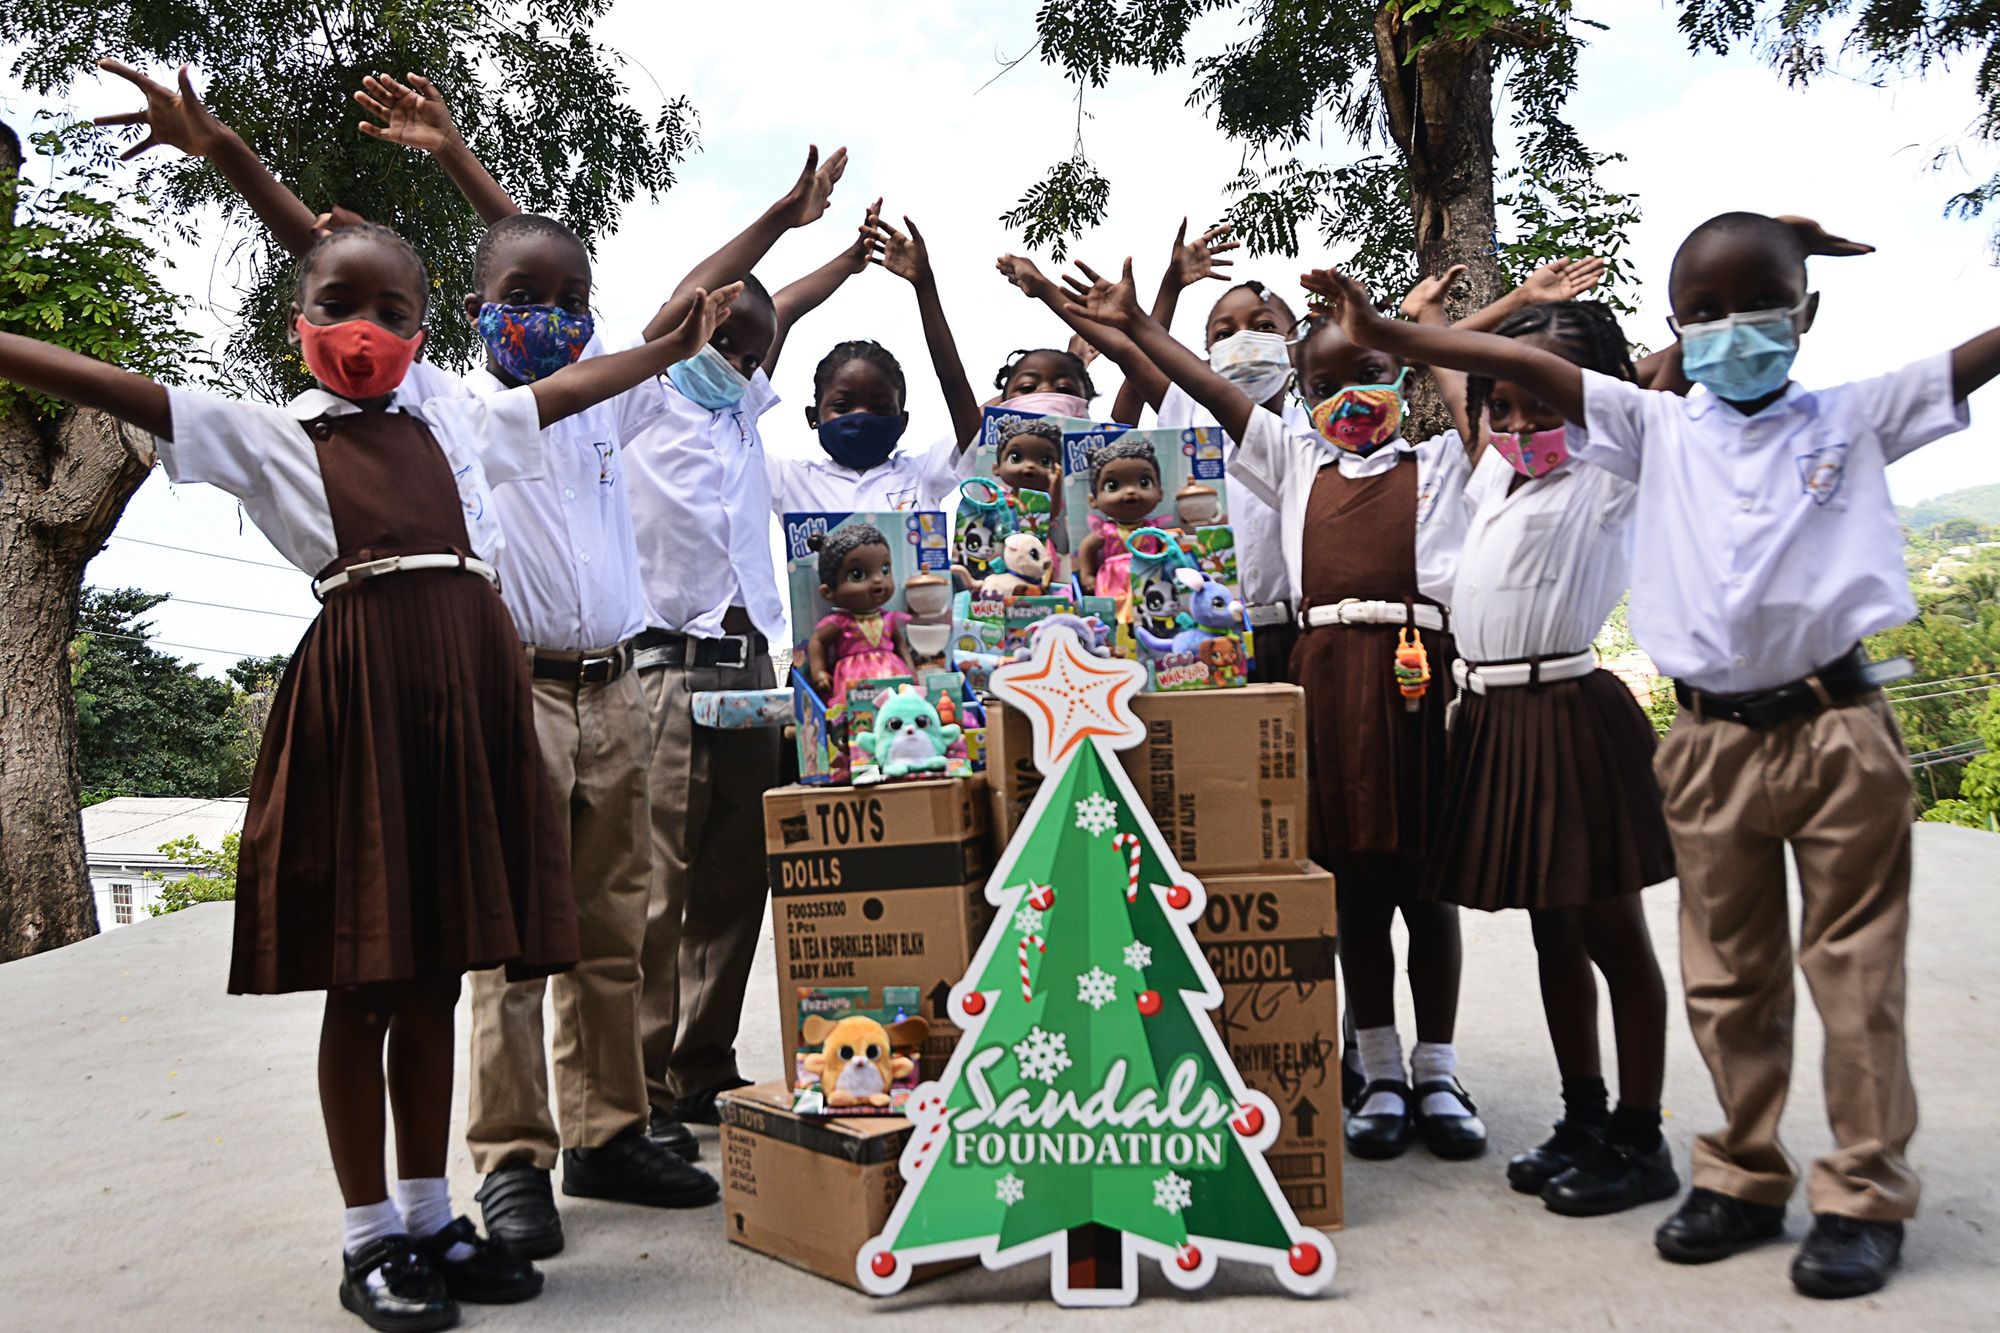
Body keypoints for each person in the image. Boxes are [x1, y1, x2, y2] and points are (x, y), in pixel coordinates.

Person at [0, 201, 734, 1328]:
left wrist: (669, 348)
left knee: (437, 972)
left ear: (423, 333)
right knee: (366, 979)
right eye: (337, 306)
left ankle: (432, 1215)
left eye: (392, 311)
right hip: (368, 702)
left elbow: (572, 391)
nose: (364, 330)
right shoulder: (273, 436)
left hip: (465, 705)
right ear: (297, 321)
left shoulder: (457, 427)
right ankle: (367, 1234)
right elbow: (118, 386)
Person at [1309, 210, 1999, 1298]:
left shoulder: (1826, 417)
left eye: (1759, 306)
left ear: (1806, 313)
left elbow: (1970, 357)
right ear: (1677, 325)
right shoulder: (1638, 435)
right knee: (1726, 974)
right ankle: (1738, 1171)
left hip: (1827, 720)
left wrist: (1406, 332)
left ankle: (1858, 1192)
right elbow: (1499, 371)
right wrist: (1389, 331)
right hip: (1705, 731)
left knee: (1852, 972)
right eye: (1704, 311)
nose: (1733, 330)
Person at [1061, 256, 1485, 1164]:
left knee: (1428, 885)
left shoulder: (1441, 462)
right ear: (1303, 393)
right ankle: (1380, 1068)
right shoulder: (1294, 461)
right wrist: (1137, 324)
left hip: (1419, 678)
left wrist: (1423, 329)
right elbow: (1210, 388)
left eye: (1371, 374)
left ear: (1401, 373)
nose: (1350, 399)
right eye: (1325, 386)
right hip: (1324, 676)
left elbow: (1474, 407)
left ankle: (1440, 1070)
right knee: (1354, 881)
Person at [1399, 274, 1678, 1218]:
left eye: (1547, 405)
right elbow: (1459, 382)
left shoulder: (1610, 469)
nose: (1521, 425)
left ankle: (1640, 1134)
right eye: (1505, 407)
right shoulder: (1496, 470)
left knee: (1611, 933)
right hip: (1493, 717)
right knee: (1550, 926)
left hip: (1568, 712)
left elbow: (1648, 388)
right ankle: (1583, 1115)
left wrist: (1674, 347)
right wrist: (1431, 324)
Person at [622, 145, 857, 1150]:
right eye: (729, 343)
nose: (744, 363)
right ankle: (636, 1086)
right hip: (663, 662)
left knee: (733, 876)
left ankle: (699, 1065)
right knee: (657, 881)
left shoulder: (741, 407)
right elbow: (712, 295)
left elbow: (779, 307)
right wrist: (779, 216)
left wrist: (847, 261)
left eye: (757, 355)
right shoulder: (641, 394)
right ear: (696, 325)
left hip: (748, 663)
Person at [766, 211, 983, 513]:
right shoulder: (788, 481)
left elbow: (954, 384)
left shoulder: (925, 475)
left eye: (880, 408)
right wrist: (848, 263)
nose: (862, 416)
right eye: (842, 405)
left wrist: (925, 287)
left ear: (902, 422)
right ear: (813, 416)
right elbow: (777, 313)